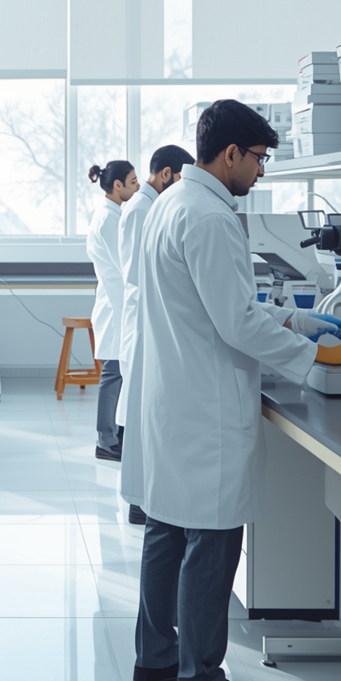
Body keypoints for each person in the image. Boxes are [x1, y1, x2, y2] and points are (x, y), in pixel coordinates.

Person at [132, 100, 341, 681]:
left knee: (166, 530)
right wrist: (314, 356)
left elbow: (220, 303)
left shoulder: (171, 204)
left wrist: (298, 321)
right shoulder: (211, 217)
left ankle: (154, 658)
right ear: (231, 153)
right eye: (259, 159)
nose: (262, 171)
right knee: (210, 544)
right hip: (205, 404)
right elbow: (236, 322)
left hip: (173, 396)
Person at [117, 143, 195, 525]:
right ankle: (140, 504)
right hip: (143, 320)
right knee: (142, 417)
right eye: (181, 179)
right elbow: (135, 272)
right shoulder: (141, 209)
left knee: (147, 416)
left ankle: (144, 500)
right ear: (166, 174)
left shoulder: (152, 206)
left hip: (149, 319)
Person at [85, 159, 139, 461]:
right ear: (117, 186)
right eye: (132, 182)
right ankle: (106, 441)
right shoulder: (109, 218)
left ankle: (113, 436)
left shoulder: (111, 214)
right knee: (113, 372)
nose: (138, 187)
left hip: (117, 304)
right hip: (115, 307)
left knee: (118, 372)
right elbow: (125, 264)